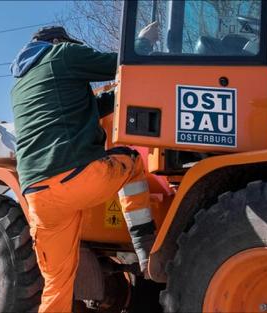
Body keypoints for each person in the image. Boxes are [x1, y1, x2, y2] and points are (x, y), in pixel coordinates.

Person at [10, 26, 157, 312]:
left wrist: (116, 98)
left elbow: (82, 108)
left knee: (57, 284)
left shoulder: (20, 85)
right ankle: (146, 248)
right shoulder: (63, 54)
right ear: (58, 41)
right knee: (133, 163)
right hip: (76, 177)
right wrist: (144, 43)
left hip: (38, 197)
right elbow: (124, 64)